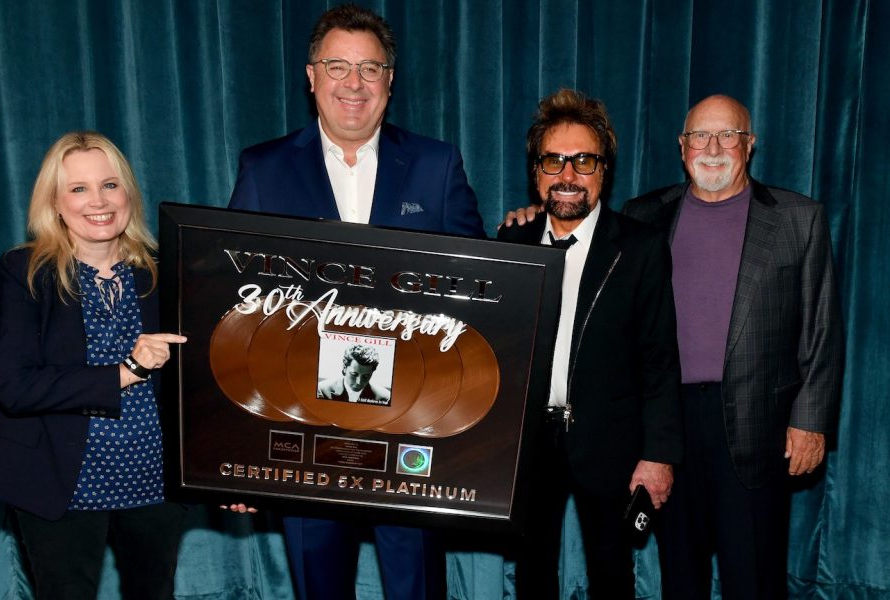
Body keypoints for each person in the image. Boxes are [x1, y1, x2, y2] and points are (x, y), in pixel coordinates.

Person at [228, 5, 484, 598]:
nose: (354, 83)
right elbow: (237, 307)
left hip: (412, 423)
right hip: (303, 424)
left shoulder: (436, 164)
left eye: (370, 68)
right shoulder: (263, 170)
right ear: (311, 76)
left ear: (390, 81)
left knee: (416, 581)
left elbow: (476, 289)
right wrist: (237, 443)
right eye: (338, 66)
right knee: (319, 581)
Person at [620, 95, 844, 599]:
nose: (713, 148)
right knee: (680, 576)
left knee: (754, 578)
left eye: (728, 135)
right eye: (700, 135)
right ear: (682, 147)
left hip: (757, 428)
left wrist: (810, 421)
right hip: (667, 427)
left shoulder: (797, 218)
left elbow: (823, 330)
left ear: (750, 144)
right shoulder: (643, 216)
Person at [0, 131, 188, 599]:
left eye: (110, 185)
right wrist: (125, 371)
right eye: (78, 189)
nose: (99, 201)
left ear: (128, 192)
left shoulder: (165, 271)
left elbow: (204, 382)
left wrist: (226, 473)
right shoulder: (25, 272)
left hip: (153, 476)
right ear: (54, 203)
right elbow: (16, 388)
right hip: (59, 476)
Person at [496, 89, 683, 598]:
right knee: (530, 571)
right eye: (554, 160)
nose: (568, 175)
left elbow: (660, 360)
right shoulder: (510, 242)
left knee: (611, 573)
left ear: (604, 170)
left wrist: (658, 456)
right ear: (537, 171)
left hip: (611, 442)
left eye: (584, 160)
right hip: (530, 444)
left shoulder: (640, 249)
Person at [317, 344, 391, 405]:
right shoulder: (323, 390)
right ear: (344, 368)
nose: (359, 382)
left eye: (366, 376)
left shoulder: (385, 398)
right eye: (354, 374)